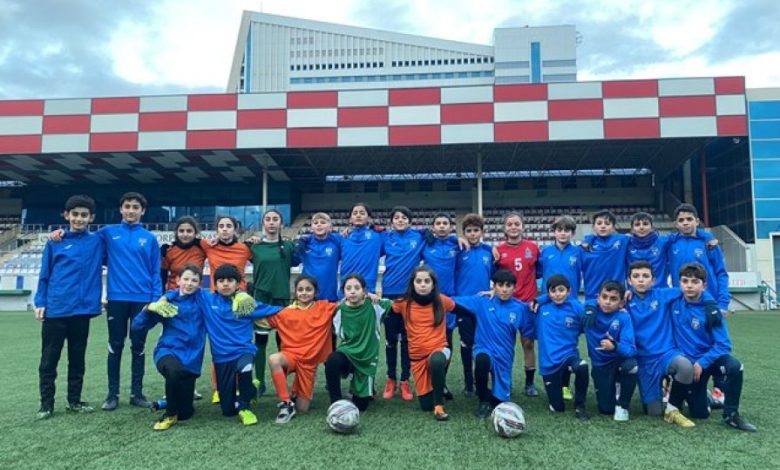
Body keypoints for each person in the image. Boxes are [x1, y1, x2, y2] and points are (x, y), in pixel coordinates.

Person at [35, 195, 104, 419]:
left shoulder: (98, 241)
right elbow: (44, 275)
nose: (79, 219)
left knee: (77, 359)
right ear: (66, 215)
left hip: (82, 311)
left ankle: (74, 401)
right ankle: (46, 404)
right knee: (49, 360)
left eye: (84, 215)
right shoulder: (55, 242)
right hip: (56, 309)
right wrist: (40, 302)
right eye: (75, 214)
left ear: (91, 218)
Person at [670, 263, 756, 432]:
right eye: (685, 281)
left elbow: (724, 344)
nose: (689, 285)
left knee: (735, 367)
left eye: (695, 282)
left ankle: (731, 414)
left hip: (710, 359)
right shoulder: (673, 302)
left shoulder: (711, 310)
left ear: (704, 285)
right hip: (689, 363)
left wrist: (702, 363)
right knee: (700, 414)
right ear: (679, 283)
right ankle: (707, 397)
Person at [195, 263, 283, 425]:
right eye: (221, 281)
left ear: (238, 284)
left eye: (230, 280)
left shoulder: (245, 303)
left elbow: (272, 309)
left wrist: (295, 308)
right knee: (228, 411)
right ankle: (251, 389)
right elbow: (183, 291)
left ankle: (245, 408)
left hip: (244, 351)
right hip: (221, 357)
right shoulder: (207, 300)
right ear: (215, 284)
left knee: (245, 367)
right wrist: (165, 298)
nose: (225, 284)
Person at [100, 192, 161, 411]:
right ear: (121, 209)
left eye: (135, 207)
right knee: (115, 345)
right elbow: (84, 240)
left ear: (142, 211)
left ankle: (137, 394)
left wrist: (155, 300)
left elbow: (155, 271)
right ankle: (112, 395)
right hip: (117, 298)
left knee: (138, 346)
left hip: (142, 300)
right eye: (127, 206)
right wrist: (60, 233)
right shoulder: (107, 233)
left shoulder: (150, 238)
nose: (131, 211)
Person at [131, 264, 207, 431]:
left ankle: (165, 403)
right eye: (186, 279)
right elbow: (137, 326)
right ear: (178, 280)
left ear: (200, 284)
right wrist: (148, 308)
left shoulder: (203, 300)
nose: (189, 283)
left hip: (192, 359)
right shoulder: (167, 302)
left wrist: (241, 294)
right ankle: (169, 415)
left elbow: (222, 298)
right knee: (173, 371)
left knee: (186, 413)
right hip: (168, 352)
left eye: (194, 280)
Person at [624, 260, 699, 427]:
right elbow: (599, 302)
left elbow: (693, 290)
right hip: (644, 360)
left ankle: (673, 409)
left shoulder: (663, 295)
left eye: (645, 276)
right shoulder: (624, 301)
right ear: (629, 280)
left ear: (653, 280)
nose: (641, 280)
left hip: (666, 353)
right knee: (654, 412)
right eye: (636, 276)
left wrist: (710, 304)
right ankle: (664, 385)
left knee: (685, 366)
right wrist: (622, 293)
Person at [451, 270, 535, 418]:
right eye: (500, 285)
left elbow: (531, 328)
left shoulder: (520, 308)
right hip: (484, 349)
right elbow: (451, 301)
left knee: (500, 402)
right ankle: (483, 400)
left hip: (504, 357)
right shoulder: (482, 301)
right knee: (482, 360)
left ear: (515, 288)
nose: (504, 289)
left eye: (508, 286)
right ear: (494, 286)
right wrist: (429, 296)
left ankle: (493, 394)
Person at [256, 276, 339, 424]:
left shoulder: (324, 308)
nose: (304, 293)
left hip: (309, 364)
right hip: (291, 357)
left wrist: (369, 296)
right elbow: (259, 320)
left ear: (315, 292)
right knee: (274, 359)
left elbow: (346, 305)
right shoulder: (285, 312)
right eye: (300, 289)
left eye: (308, 289)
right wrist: (243, 308)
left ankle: (295, 393)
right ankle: (286, 402)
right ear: (295, 292)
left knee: (303, 408)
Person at [199, 214, 253, 404]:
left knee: (241, 344)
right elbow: (191, 242)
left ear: (235, 229)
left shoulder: (244, 248)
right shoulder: (208, 246)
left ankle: (244, 384)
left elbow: (262, 256)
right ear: (216, 229)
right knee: (218, 346)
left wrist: (254, 241)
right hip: (217, 302)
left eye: (228, 226)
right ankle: (218, 388)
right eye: (221, 226)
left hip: (240, 302)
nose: (224, 229)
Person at [390, 266, 455, 420]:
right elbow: (385, 308)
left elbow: (466, 310)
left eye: (427, 281)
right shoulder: (404, 303)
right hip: (417, 358)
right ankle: (439, 387)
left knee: (437, 361)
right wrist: (368, 296)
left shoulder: (442, 300)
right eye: (419, 281)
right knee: (426, 406)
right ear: (413, 284)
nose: (423, 284)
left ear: (433, 284)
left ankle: (439, 406)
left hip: (439, 350)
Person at [325, 273, 392, 412]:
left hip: (366, 359)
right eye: (348, 288)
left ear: (364, 290)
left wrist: (375, 297)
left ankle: (358, 386)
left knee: (361, 406)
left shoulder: (375, 306)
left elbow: (394, 305)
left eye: (357, 288)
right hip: (348, 353)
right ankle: (335, 403)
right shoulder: (339, 309)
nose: (353, 291)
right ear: (343, 292)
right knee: (332, 360)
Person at [249, 209, 298, 397]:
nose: (271, 222)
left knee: (284, 344)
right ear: (263, 224)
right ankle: (259, 382)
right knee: (260, 342)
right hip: (261, 301)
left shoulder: (289, 246)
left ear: (281, 224)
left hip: (282, 300)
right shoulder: (254, 247)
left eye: (275, 219)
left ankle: (282, 381)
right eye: (268, 219)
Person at [380, 206, 424, 401]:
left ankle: (405, 380)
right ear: (391, 221)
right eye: (396, 217)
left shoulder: (419, 237)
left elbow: (439, 237)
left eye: (404, 217)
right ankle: (391, 379)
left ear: (409, 221)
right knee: (390, 341)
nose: (400, 220)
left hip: (410, 296)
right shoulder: (385, 238)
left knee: (408, 341)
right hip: (389, 294)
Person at [494, 212, 540, 397]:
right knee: (506, 344)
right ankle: (505, 381)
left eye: (517, 224)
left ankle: (529, 384)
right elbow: (494, 276)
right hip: (507, 303)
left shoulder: (533, 247)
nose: (513, 227)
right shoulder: (498, 250)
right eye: (510, 224)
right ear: (504, 228)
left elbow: (539, 272)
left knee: (528, 343)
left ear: (523, 226)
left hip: (528, 303)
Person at [533, 275, 589, 421]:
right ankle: (560, 389)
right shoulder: (540, 309)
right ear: (548, 293)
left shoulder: (576, 307)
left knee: (582, 366)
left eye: (561, 290)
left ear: (569, 291)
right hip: (549, 363)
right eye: (553, 291)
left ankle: (580, 405)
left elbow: (590, 319)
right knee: (557, 408)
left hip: (568, 356)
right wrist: (540, 300)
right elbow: (521, 306)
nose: (557, 294)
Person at [583, 281, 637, 421]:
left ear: (621, 303)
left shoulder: (624, 317)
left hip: (618, 361)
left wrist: (615, 346)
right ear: (598, 298)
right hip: (600, 365)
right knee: (606, 409)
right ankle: (614, 388)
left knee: (631, 366)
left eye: (613, 299)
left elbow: (631, 350)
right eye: (604, 297)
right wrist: (590, 305)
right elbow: (567, 299)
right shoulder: (589, 312)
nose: (607, 302)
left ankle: (623, 406)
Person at [454, 213, 494, 397]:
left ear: (482, 232)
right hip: (463, 304)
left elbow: (496, 276)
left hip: (483, 305)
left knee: (484, 344)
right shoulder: (459, 250)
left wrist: (493, 290)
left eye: (476, 230)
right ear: (464, 233)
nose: (472, 234)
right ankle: (469, 383)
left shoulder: (489, 252)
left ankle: (482, 381)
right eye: (469, 231)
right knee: (466, 344)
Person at [580, 210, 629, 302]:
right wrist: (588, 239)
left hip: (616, 295)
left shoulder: (623, 240)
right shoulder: (585, 246)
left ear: (613, 227)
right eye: (599, 223)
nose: (603, 226)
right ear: (593, 227)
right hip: (592, 295)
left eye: (607, 224)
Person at [295, 212, 340, 302]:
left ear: (330, 227)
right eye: (315, 223)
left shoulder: (336, 242)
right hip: (308, 298)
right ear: (311, 228)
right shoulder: (304, 244)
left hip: (329, 298)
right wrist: (296, 242)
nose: (319, 225)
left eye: (323, 222)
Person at [339, 203, 383, 293]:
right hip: (346, 290)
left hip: (367, 289)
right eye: (355, 213)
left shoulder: (378, 237)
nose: (358, 215)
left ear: (369, 218)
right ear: (350, 219)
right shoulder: (342, 238)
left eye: (362, 213)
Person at [160, 216, 206, 291]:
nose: (185, 234)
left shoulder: (203, 248)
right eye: (181, 231)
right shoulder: (169, 251)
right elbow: (162, 276)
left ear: (195, 233)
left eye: (189, 231)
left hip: (196, 294)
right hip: (174, 294)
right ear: (176, 233)